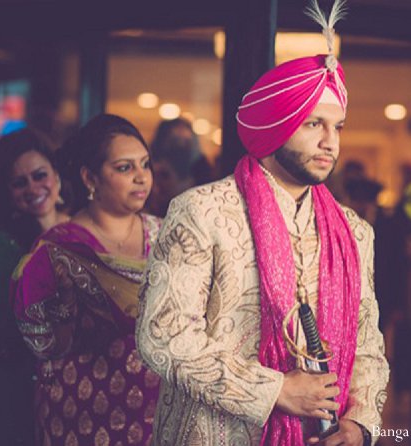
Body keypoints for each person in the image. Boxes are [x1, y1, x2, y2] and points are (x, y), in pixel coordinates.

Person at [136, 2, 389, 445]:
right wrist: (274, 390)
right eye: (314, 124)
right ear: (277, 126)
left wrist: (359, 424)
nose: (331, 142)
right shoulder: (204, 211)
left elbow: (368, 344)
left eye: (338, 127)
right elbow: (163, 335)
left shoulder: (354, 231)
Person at [12, 114, 162, 446]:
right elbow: (42, 343)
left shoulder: (167, 235)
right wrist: (65, 302)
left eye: (145, 165)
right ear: (90, 178)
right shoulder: (59, 247)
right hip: (84, 412)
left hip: (158, 411)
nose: (141, 178)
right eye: (125, 168)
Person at [0, 128, 69, 446]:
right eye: (19, 182)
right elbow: (0, 327)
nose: (33, 188)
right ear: (6, 192)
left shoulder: (84, 228)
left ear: (57, 175)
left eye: (40, 175)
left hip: (83, 384)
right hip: (18, 387)